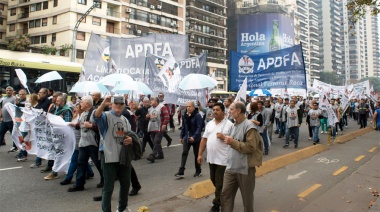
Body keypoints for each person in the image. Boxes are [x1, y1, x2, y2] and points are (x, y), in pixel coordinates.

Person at [94, 95, 135, 212]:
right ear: (111, 105)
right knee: (108, 188)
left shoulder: (125, 119)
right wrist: (103, 104)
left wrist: (131, 140)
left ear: (124, 106)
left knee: (126, 184)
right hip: (109, 157)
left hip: (123, 157)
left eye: (121, 104)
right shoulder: (105, 116)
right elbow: (96, 116)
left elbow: (130, 134)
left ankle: (122, 208)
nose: (118, 106)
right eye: (115, 104)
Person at [220, 102, 262, 212]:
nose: (229, 111)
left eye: (231, 109)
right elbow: (230, 142)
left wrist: (232, 142)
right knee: (225, 195)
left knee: (247, 199)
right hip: (231, 168)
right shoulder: (233, 125)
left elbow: (251, 147)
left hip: (245, 169)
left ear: (238, 111)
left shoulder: (249, 127)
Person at [197, 102, 234, 212]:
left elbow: (234, 141)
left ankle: (216, 205)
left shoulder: (229, 124)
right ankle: (225, 197)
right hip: (211, 158)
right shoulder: (210, 124)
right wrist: (199, 154)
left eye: (217, 110)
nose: (215, 112)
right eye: (213, 110)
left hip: (223, 159)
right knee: (214, 180)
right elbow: (204, 140)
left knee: (219, 183)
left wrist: (223, 137)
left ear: (223, 112)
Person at [67, 96, 104, 190]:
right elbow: (81, 125)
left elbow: (101, 125)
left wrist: (91, 126)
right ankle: (79, 184)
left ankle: (105, 180)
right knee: (81, 163)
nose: (80, 104)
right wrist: (74, 125)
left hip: (92, 142)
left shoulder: (95, 113)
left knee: (98, 163)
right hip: (84, 142)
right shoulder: (84, 113)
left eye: (82, 102)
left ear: (87, 103)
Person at [61, 103, 94, 185]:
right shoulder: (75, 116)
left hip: (80, 140)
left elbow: (81, 127)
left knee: (74, 159)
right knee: (82, 159)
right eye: (75, 107)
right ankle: (90, 172)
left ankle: (69, 177)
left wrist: (75, 125)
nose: (75, 109)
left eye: (77, 107)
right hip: (74, 139)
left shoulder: (83, 116)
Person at [44, 96, 73, 180]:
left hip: (62, 137)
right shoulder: (57, 109)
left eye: (58, 101)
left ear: (63, 102)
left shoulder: (66, 110)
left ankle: (54, 172)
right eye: (56, 100)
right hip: (57, 136)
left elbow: (66, 124)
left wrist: (59, 120)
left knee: (59, 154)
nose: (56, 102)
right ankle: (89, 172)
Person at [175, 101, 203, 178]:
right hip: (187, 137)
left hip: (196, 138)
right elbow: (184, 127)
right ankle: (181, 171)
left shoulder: (197, 116)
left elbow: (199, 127)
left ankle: (198, 170)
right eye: (187, 106)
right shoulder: (185, 115)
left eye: (190, 106)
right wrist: (181, 136)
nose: (188, 108)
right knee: (184, 152)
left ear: (194, 107)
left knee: (196, 154)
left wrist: (194, 137)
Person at [146, 97, 169, 163]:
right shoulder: (150, 109)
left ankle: (153, 155)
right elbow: (149, 118)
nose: (151, 101)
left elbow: (166, 116)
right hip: (152, 127)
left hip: (159, 127)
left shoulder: (162, 107)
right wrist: (147, 117)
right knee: (155, 142)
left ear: (156, 101)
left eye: (152, 100)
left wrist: (164, 124)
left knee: (156, 141)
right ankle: (161, 155)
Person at [0, 86, 17, 152]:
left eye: (10, 90)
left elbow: (15, 108)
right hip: (4, 120)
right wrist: (1, 116)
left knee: (13, 134)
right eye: (7, 90)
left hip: (11, 120)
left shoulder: (14, 99)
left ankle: (15, 147)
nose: (8, 91)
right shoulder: (4, 99)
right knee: (1, 133)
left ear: (12, 91)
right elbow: (2, 108)